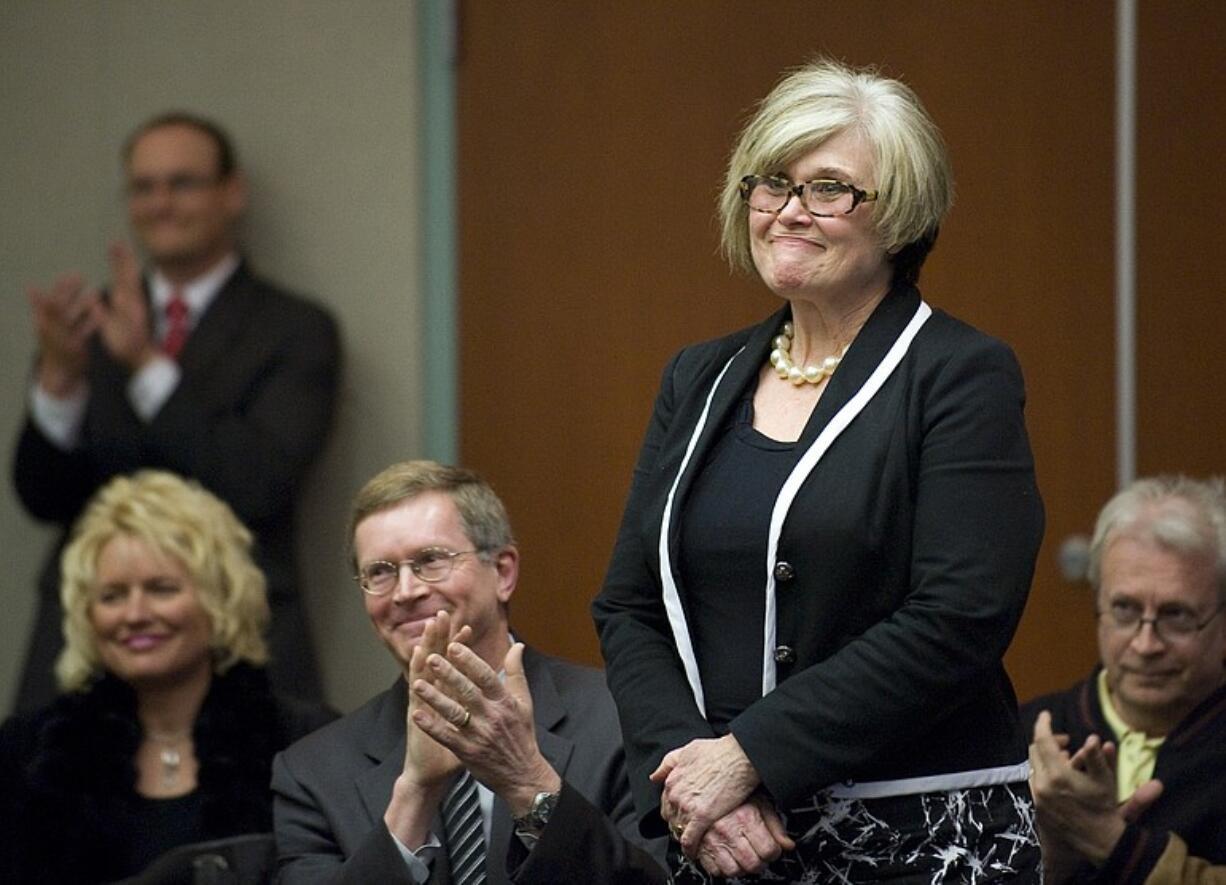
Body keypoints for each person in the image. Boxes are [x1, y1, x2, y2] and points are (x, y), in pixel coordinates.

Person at [592, 57, 1045, 882]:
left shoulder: (957, 372)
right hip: (723, 836)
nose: (790, 212)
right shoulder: (699, 376)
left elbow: (961, 615)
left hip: (918, 835)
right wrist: (690, 774)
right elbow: (630, 604)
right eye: (772, 183)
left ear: (901, 215)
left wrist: (751, 755)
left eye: (829, 188)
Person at [12, 110, 340, 710]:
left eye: (182, 183)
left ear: (231, 193)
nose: (160, 203)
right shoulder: (89, 325)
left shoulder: (295, 328)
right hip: (87, 642)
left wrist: (146, 366)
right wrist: (59, 381)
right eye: (143, 186)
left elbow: (258, 482)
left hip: (239, 641)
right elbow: (43, 497)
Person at [271, 460, 667, 883]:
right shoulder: (313, 773)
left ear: (503, 572)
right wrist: (415, 796)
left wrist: (526, 781)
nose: (406, 592)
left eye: (430, 560)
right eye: (381, 572)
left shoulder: (620, 718)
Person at [0, 470, 336, 883]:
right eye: (112, 596)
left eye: (161, 589)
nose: (135, 614)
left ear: (220, 600)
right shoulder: (26, 755)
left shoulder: (307, 745)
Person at [1022, 475, 1226, 883]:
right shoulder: (1026, 736)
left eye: (1176, 615)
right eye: (1125, 610)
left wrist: (1112, 842)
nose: (1146, 644)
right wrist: (1044, 858)